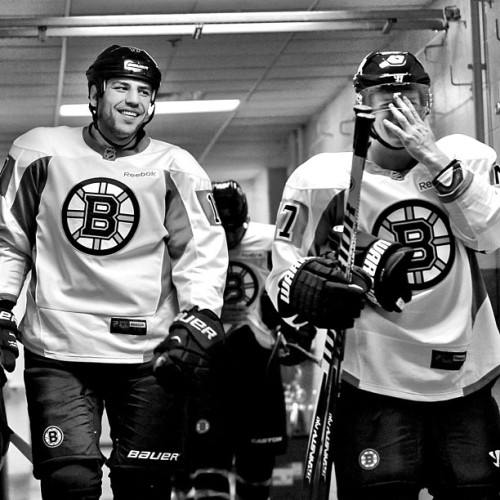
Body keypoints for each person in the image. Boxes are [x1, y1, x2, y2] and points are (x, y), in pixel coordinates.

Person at [266, 50, 500, 500]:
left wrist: (432, 157)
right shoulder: (319, 179)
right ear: (361, 102)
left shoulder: (466, 157)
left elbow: (490, 236)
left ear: (428, 101)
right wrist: (306, 288)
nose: (397, 107)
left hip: (463, 375)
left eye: (409, 94)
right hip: (373, 383)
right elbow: (282, 278)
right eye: (384, 95)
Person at [0, 44, 228, 500]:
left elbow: (199, 252)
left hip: (148, 355)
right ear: (94, 94)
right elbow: (9, 239)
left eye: (143, 91)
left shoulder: (176, 167)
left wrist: (200, 317)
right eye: (120, 87)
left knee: (143, 487)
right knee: (69, 482)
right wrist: (2, 308)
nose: (133, 100)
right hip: (59, 350)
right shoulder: (37, 151)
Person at [180, 180, 307, 500]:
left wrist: (294, 328)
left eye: (234, 230)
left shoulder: (271, 241)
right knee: (208, 466)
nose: (229, 239)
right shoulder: (193, 244)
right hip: (210, 363)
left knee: (257, 470)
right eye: (223, 231)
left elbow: (297, 285)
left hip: (259, 362)